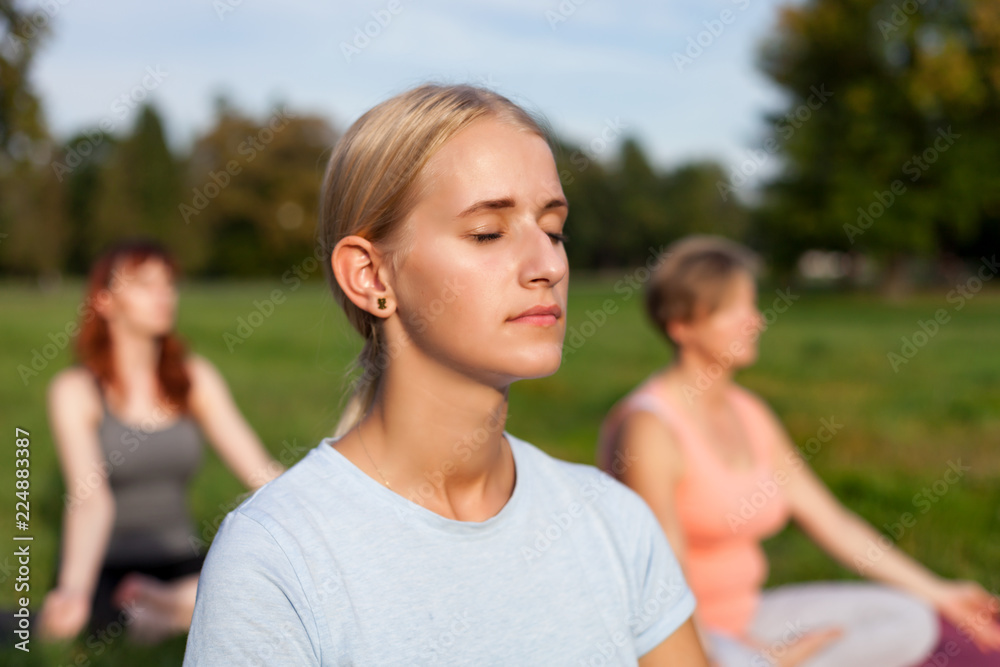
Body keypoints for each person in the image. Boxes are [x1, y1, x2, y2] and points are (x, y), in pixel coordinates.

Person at [183, 83, 709, 665]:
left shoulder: (613, 523)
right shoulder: (274, 559)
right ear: (372, 277)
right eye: (488, 232)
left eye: (553, 229)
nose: (549, 265)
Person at [597, 235, 1000, 667]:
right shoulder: (650, 428)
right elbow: (662, 587)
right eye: (735, 309)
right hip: (680, 638)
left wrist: (940, 592)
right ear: (682, 325)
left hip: (749, 616)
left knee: (910, 619)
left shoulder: (749, 412)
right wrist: (761, 657)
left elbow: (834, 523)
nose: (756, 321)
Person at [39, 239, 284, 644]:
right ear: (103, 300)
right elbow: (89, 498)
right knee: (98, 621)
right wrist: (72, 592)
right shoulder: (76, 390)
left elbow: (262, 474)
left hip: (183, 563)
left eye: (168, 283)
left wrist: (320, 510)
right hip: (107, 568)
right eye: (143, 284)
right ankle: (184, 611)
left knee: (263, 585)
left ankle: (169, 607)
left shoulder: (194, 378)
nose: (163, 294)